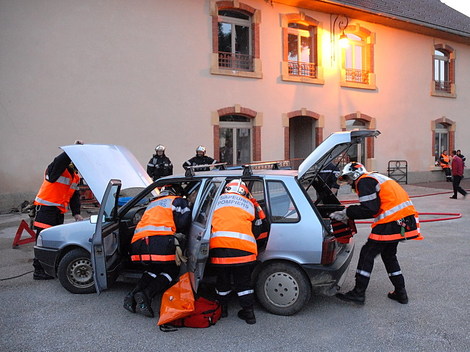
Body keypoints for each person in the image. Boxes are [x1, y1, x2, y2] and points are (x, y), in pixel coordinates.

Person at [330, 162, 422, 305]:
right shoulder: (376, 177)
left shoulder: (364, 181)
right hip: (404, 221)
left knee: (367, 253)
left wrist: (346, 213)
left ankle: (358, 293)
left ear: (355, 174)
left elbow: (370, 209)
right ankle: (401, 293)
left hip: (391, 222)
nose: (348, 183)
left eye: (348, 179)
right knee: (389, 255)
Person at [123, 184, 191, 318]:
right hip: (160, 243)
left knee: (153, 269)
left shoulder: (152, 203)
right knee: (171, 270)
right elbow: (184, 222)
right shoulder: (177, 201)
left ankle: (131, 296)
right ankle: (146, 294)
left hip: (139, 243)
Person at [209, 179, 258, 324]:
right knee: (243, 283)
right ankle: (249, 314)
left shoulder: (217, 201)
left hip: (220, 250)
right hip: (244, 251)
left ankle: (222, 310)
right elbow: (258, 224)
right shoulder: (248, 204)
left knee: (222, 281)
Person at [33, 141, 84, 280]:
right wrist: (72, 150)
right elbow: (59, 160)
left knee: (53, 239)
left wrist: (76, 213)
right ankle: (38, 270)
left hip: (57, 211)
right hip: (46, 210)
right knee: (43, 239)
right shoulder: (56, 169)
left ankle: (47, 267)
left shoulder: (74, 176)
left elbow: (75, 196)